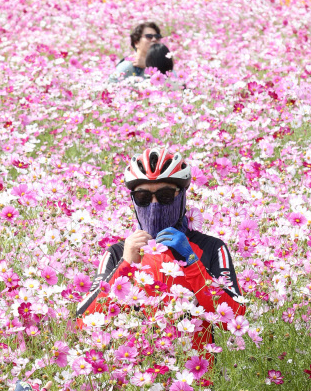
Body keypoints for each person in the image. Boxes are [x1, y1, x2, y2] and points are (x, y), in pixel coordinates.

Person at [77, 147, 245, 352]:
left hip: (198, 377)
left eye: (165, 196)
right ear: (133, 201)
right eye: (143, 197)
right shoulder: (117, 252)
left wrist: (192, 262)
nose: (154, 205)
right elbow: (85, 322)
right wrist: (126, 264)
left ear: (182, 196)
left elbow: (236, 319)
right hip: (136, 376)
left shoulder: (211, 247)